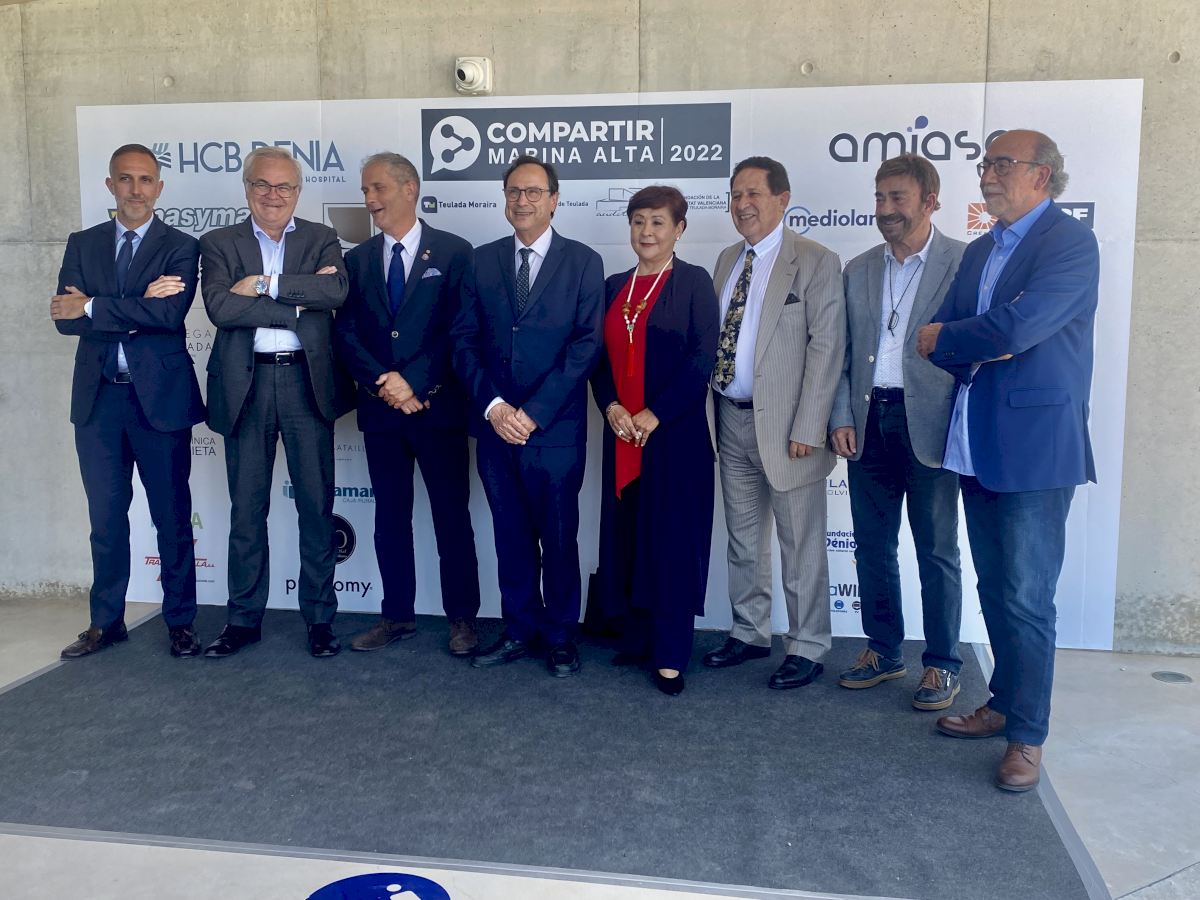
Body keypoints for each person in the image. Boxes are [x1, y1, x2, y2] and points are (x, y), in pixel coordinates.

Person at [916, 129, 1100, 792]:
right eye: (985, 164)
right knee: (995, 589)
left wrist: (968, 337)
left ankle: (1028, 735)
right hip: (977, 441)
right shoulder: (980, 249)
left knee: (1027, 597)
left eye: (1001, 164)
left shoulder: (1070, 243)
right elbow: (934, 338)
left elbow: (1020, 328)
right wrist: (974, 340)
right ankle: (1001, 704)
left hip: (1037, 450)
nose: (987, 175)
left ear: (1040, 176)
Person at [51, 143, 205, 659]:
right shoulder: (83, 244)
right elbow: (65, 318)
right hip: (98, 403)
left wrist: (94, 304)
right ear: (110, 185)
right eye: (125, 178)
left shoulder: (181, 246)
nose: (135, 189)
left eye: (145, 180)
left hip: (159, 401)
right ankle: (106, 622)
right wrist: (136, 304)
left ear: (159, 188)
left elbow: (168, 316)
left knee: (172, 516)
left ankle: (180, 621)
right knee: (106, 519)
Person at [452, 156, 604, 678]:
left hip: (554, 431)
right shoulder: (481, 261)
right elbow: (463, 342)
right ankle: (518, 629)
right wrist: (495, 408)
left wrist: (533, 413)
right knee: (510, 538)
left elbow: (586, 346)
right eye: (515, 191)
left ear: (554, 200)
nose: (523, 200)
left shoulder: (583, 261)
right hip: (495, 429)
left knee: (559, 539)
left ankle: (560, 636)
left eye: (534, 192)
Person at [199, 146, 348, 659]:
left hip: (307, 383)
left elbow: (335, 294)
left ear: (298, 191)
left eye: (284, 186)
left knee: (316, 507)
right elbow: (221, 308)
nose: (273, 195)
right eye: (262, 184)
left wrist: (263, 286)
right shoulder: (219, 242)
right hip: (247, 385)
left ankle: (320, 620)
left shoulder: (321, 237)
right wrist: (297, 304)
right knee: (247, 510)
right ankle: (242, 620)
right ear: (246, 188)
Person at [829, 154, 966, 710]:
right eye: (879, 197)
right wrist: (841, 415)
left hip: (930, 423)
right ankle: (883, 650)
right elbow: (840, 354)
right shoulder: (859, 268)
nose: (885, 209)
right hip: (868, 421)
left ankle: (942, 664)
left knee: (936, 549)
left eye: (898, 198)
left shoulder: (963, 262)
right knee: (872, 545)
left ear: (930, 201)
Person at [703, 156, 846, 690]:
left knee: (800, 544)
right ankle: (750, 631)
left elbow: (827, 347)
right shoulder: (726, 260)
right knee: (743, 540)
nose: (742, 204)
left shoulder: (815, 260)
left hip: (791, 433)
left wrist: (810, 425)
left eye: (754, 194)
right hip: (729, 419)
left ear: (783, 200)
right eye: (736, 195)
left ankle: (807, 644)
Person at [335, 152, 481, 657]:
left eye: (377, 188)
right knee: (390, 520)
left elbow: (460, 330)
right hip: (381, 414)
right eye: (365, 190)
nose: (369, 199)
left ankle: (463, 619)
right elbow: (346, 332)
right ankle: (396, 616)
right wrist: (385, 383)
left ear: (410, 188)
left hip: (438, 411)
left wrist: (414, 381)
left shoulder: (456, 252)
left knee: (451, 519)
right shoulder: (356, 260)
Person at [589, 186, 719, 696]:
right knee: (629, 537)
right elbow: (597, 360)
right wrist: (612, 406)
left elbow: (701, 359)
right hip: (623, 434)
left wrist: (655, 413)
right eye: (638, 220)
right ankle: (638, 635)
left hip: (674, 438)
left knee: (671, 544)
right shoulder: (613, 286)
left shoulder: (693, 282)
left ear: (679, 229)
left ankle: (670, 652)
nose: (647, 231)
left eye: (658, 222)